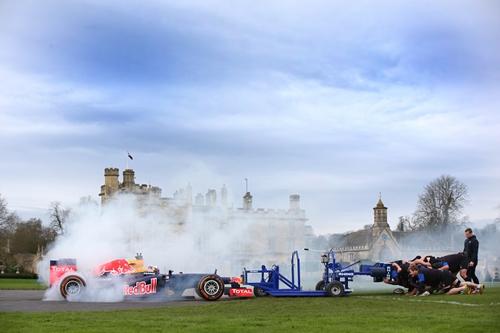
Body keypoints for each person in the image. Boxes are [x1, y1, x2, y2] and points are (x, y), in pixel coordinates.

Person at [408, 263, 484, 296]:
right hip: (446, 273)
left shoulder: (420, 273)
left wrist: (415, 290)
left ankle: (464, 288)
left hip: (444, 277)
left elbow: (421, 286)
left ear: (414, 270)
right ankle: (478, 286)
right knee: (459, 283)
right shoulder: (421, 268)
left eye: (411, 272)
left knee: (447, 292)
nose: (410, 274)